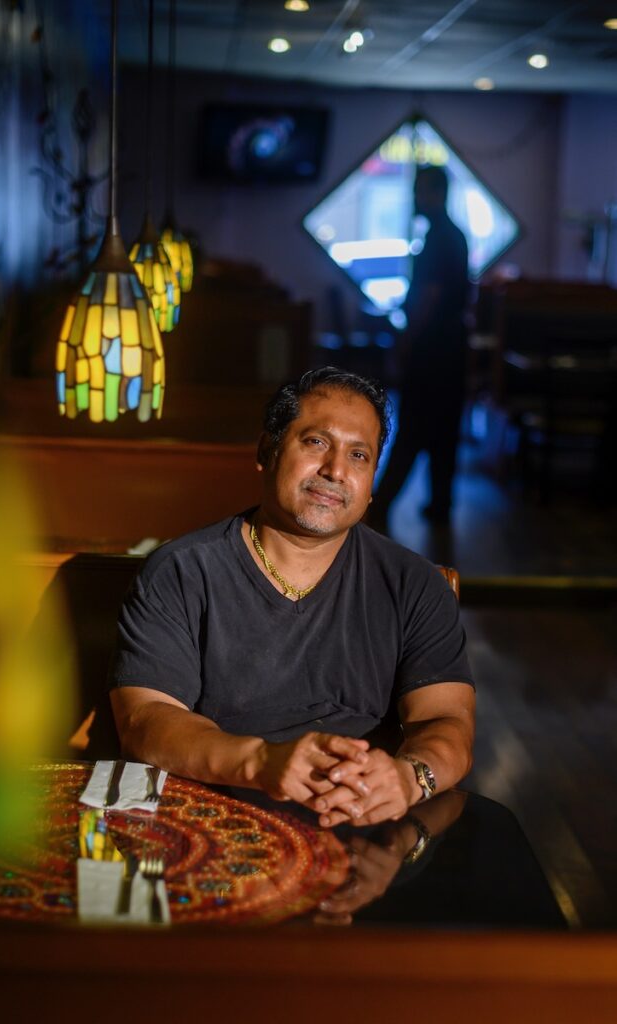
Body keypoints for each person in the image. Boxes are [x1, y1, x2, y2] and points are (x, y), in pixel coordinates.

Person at [110, 367, 475, 829]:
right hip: (212, 819)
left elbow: (446, 720)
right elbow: (145, 722)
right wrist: (263, 763)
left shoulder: (414, 583)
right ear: (267, 450)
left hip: (363, 820)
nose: (335, 471)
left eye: (359, 455)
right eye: (316, 442)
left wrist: (408, 778)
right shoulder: (182, 571)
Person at [371, 164, 469, 528]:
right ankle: (439, 505)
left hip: (434, 347)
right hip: (449, 345)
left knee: (413, 426)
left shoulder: (440, 238)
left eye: (422, 190)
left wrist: (406, 340)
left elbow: (430, 295)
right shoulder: (451, 235)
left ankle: (380, 506)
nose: (416, 198)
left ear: (439, 194)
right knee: (443, 430)